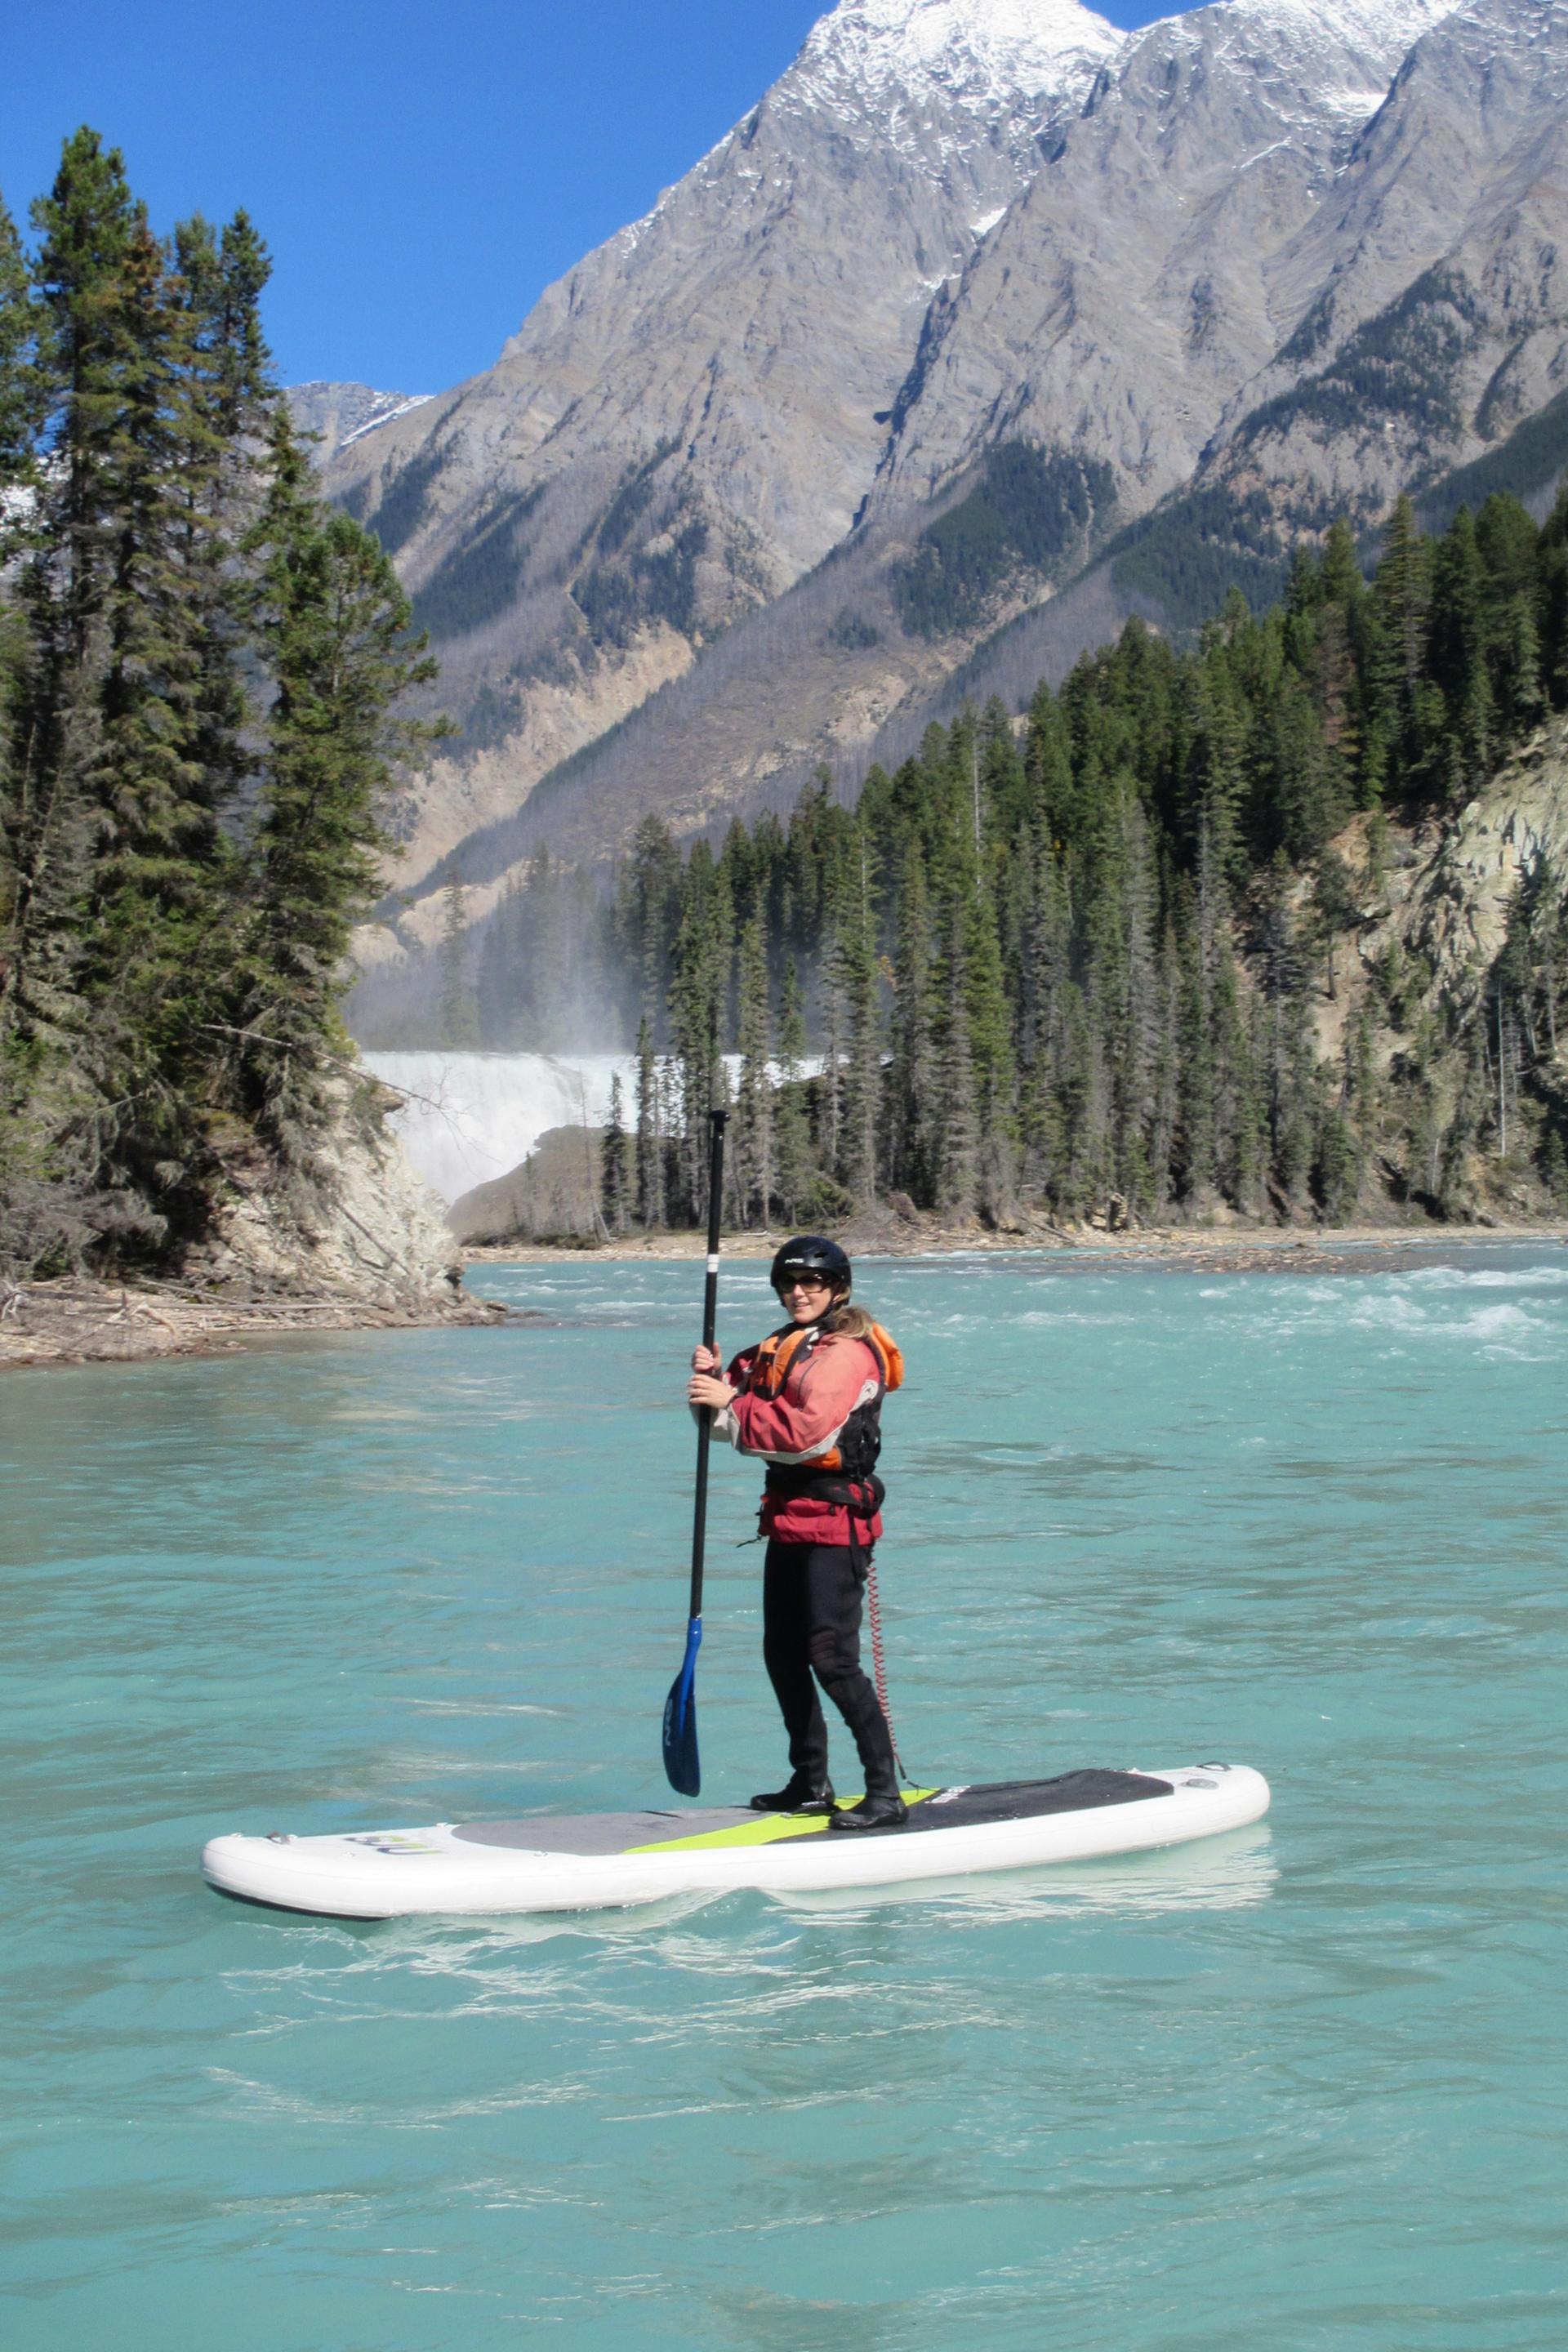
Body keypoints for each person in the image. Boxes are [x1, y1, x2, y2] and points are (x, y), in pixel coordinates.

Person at [687, 1236, 907, 1830]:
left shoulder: (845, 1353)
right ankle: (810, 1782)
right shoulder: (779, 1348)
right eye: (789, 1283)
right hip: (787, 1520)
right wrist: (709, 1387)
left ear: (838, 1289)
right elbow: (724, 1424)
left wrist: (730, 1398)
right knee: (782, 1654)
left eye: (812, 1282)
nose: (799, 1292)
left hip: (836, 1525)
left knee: (831, 1660)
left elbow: (808, 1433)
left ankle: (884, 1795)